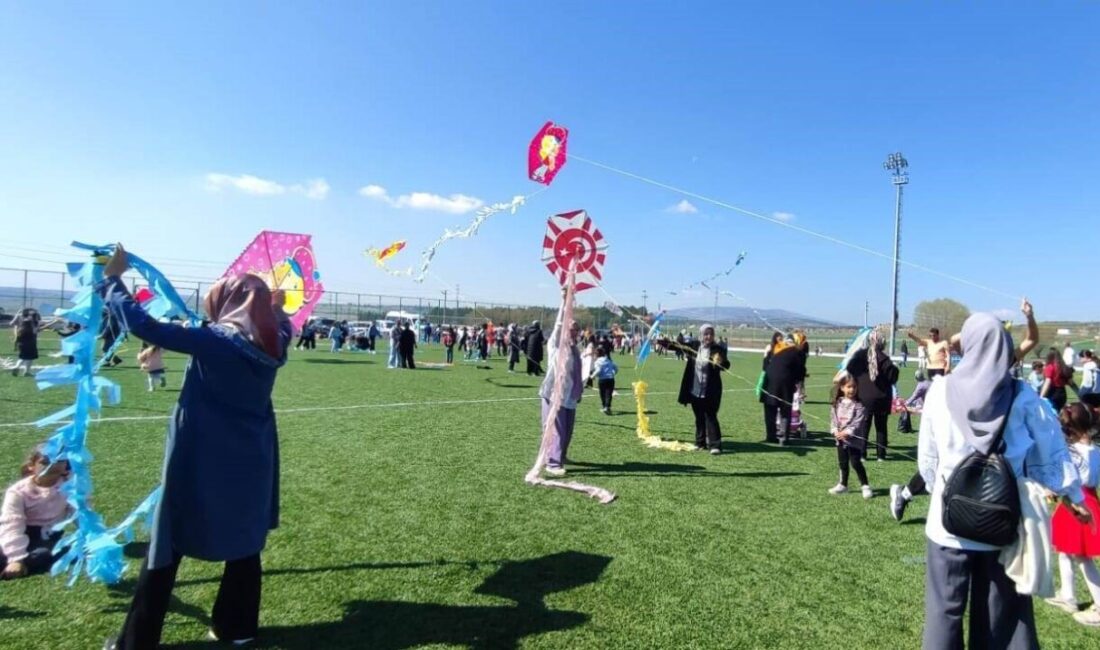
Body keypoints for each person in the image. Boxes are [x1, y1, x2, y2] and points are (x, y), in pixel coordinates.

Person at [98, 244, 292, 649]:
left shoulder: (215, 341)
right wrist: (273, 306)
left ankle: (137, 640)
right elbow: (279, 321)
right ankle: (237, 627)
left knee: (169, 538)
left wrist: (112, 280)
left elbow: (145, 326)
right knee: (243, 540)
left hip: (201, 452)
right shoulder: (277, 341)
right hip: (251, 455)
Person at [917, 313, 1091, 649]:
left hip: (948, 520)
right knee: (1000, 618)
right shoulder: (1024, 396)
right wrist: (1073, 497)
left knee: (943, 614)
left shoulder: (940, 392)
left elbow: (928, 459)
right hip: (1002, 519)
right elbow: (1049, 454)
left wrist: (936, 485)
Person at [1044, 402, 1100, 627]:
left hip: (1077, 505)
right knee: (1066, 551)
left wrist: (1052, 490)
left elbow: (1065, 480)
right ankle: (1068, 596)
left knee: (1082, 558)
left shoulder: (1071, 452)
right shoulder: (1096, 449)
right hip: (1089, 500)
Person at [0, 447, 72, 580]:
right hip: (17, 533)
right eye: (45, 462)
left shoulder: (70, 486)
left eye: (59, 461)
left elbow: (82, 514)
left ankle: (16, 568)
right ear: (31, 467)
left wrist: (92, 540)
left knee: (42, 554)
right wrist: (16, 558)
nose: (53, 465)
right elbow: (12, 524)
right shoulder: (17, 491)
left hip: (46, 537)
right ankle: (14, 565)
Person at [538, 296, 582, 477]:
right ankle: (552, 462)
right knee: (556, 430)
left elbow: (576, 372)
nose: (575, 332)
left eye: (577, 330)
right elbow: (558, 325)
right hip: (553, 394)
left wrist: (578, 391)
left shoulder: (574, 347)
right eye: (572, 329)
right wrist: (565, 301)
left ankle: (561, 456)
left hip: (569, 395)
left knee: (568, 430)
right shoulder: (555, 345)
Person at [676, 324, 730, 455]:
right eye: (706, 334)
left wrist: (720, 362)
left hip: (711, 390)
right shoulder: (694, 346)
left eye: (711, 334)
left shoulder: (717, 349)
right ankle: (700, 442)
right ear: (701, 335)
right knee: (699, 417)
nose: (708, 336)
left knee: (710, 416)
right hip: (695, 388)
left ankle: (715, 445)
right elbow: (678, 347)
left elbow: (727, 365)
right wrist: (665, 342)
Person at [845, 330, 899, 461]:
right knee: (881, 427)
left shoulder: (860, 356)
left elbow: (849, 368)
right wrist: (896, 368)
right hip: (882, 398)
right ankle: (881, 455)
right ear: (882, 342)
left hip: (864, 397)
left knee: (863, 427)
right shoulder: (885, 359)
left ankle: (862, 454)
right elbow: (893, 378)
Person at [828, 374, 873, 499]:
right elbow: (833, 420)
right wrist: (835, 431)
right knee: (843, 463)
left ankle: (865, 486)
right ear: (842, 387)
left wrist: (847, 432)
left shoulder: (859, 405)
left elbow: (858, 422)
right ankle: (843, 485)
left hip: (853, 440)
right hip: (840, 440)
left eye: (854, 387)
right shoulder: (837, 403)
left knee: (855, 462)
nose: (852, 390)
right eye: (849, 387)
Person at [761, 334, 806, 445]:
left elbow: (765, 365)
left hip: (769, 381)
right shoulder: (797, 352)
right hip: (785, 383)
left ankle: (771, 436)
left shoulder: (776, 347)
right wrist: (798, 381)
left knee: (770, 411)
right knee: (785, 410)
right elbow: (800, 371)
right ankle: (784, 437)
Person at [10, 308, 41, 377]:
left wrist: (17, 313)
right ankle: (26, 371)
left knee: (23, 357)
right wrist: (38, 326)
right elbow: (35, 331)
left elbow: (11, 323)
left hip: (21, 342)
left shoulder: (21, 321)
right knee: (30, 357)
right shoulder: (33, 322)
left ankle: (17, 366)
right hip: (31, 342)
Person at [592, 346, 618, 415]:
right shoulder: (609, 360)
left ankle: (605, 407)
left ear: (597, 354)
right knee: (609, 394)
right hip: (611, 379)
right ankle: (607, 407)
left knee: (602, 394)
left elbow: (598, 370)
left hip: (602, 380)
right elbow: (616, 367)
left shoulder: (597, 362)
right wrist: (613, 373)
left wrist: (592, 376)